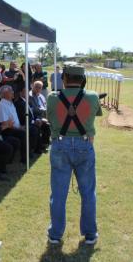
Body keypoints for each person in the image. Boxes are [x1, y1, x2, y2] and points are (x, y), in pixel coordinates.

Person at [46, 65, 101, 245]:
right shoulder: (92, 96)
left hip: (60, 145)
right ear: (83, 79)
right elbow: (94, 115)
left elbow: (51, 117)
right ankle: (90, 233)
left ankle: (55, 234)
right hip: (84, 145)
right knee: (88, 193)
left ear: (64, 78)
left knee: (58, 194)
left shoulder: (53, 97)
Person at [0, 85, 31, 163]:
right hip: (6, 131)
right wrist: (19, 128)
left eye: (12, 90)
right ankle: (24, 157)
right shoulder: (2, 106)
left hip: (13, 128)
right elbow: (5, 124)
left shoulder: (10, 103)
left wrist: (20, 126)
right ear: (4, 94)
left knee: (29, 129)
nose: (13, 92)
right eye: (10, 91)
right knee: (23, 133)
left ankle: (28, 153)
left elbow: (14, 120)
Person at [14, 86, 46, 154]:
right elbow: (23, 117)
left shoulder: (26, 101)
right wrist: (34, 122)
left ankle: (39, 147)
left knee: (41, 125)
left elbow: (31, 114)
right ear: (20, 93)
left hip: (30, 121)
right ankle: (31, 149)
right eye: (25, 92)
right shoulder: (19, 103)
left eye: (27, 92)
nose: (27, 93)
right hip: (24, 123)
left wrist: (37, 119)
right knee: (34, 129)